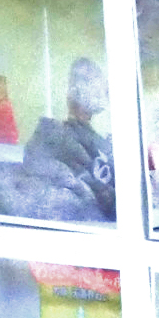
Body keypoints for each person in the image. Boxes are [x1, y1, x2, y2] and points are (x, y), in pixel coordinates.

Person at [22, 57, 115, 218]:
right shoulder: (55, 137)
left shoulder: (98, 141)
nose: (104, 90)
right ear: (74, 91)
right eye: (91, 81)